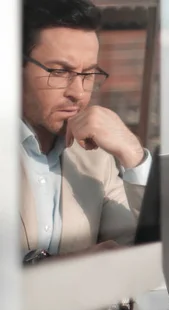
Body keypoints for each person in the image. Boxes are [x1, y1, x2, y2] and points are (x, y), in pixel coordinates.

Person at [20, 0, 152, 259]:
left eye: (88, 74)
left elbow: (147, 251)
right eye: (59, 72)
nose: (78, 93)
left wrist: (133, 154)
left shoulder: (95, 159)